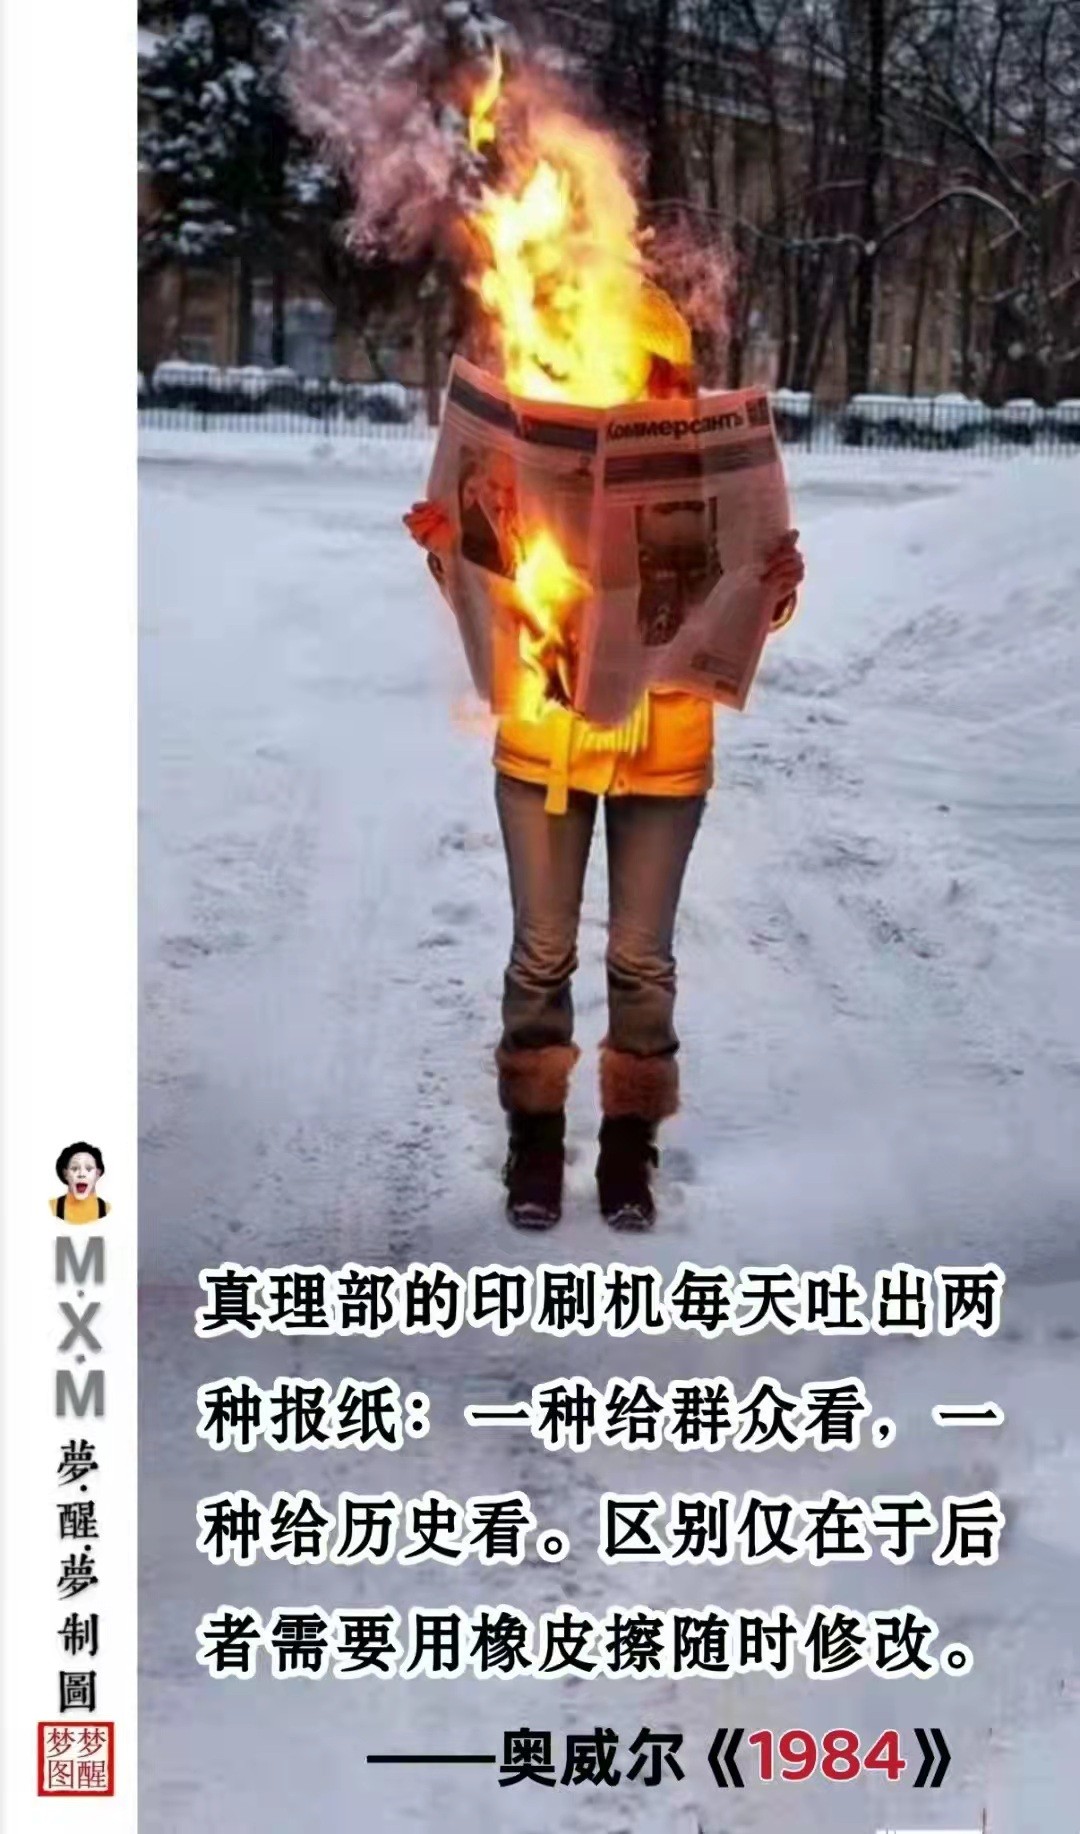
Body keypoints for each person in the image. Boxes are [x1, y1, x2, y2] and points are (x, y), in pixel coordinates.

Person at [405, 374, 804, 1230]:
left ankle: (630, 1145)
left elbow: (742, 608)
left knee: (642, 957)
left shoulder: (696, 469)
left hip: (665, 757)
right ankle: (535, 1141)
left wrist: (776, 585)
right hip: (544, 748)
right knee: (540, 953)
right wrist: (447, 548)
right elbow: (492, 595)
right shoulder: (545, 443)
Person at [50, 1142, 109, 1222]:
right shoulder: (51, 1208)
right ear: (65, 1174)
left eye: (88, 1169)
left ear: (97, 1174)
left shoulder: (108, 1210)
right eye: (74, 1168)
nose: (81, 1174)